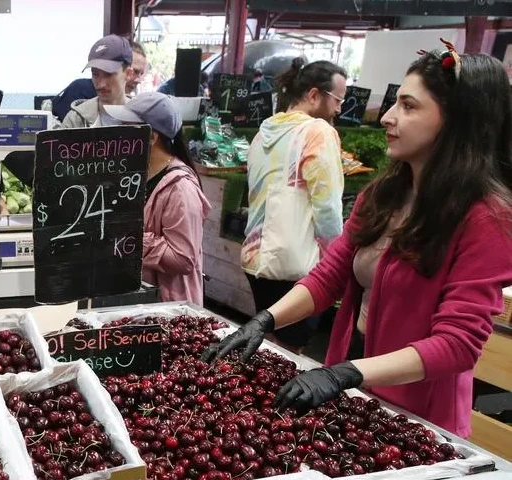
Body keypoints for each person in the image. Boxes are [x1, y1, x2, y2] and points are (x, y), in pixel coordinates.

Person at [203, 42, 512, 439]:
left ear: (456, 122)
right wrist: (265, 320)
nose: (387, 116)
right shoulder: (384, 195)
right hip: (361, 396)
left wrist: (346, 373)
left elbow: (458, 344)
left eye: (409, 106)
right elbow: (329, 275)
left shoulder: (486, 219)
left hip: (420, 421)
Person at [241, 58, 347, 353]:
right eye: (338, 100)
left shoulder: (263, 132)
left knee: (270, 342)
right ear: (314, 96)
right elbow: (327, 208)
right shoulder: (318, 132)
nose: (339, 109)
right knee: (289, 352)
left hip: (255, 259)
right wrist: (335, 258)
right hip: (294, 264)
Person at [104, 92, 211, 305]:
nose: (119, 136)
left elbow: (183, 258)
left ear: (152, 137)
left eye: (127, 128)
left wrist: (129, 237)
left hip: (168, 309)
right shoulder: (137, 176)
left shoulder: (181, 189)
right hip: (139, 301)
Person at [62, 35, 132, 128]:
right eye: (95, 73)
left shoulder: (145, 118)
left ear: (128, 74)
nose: (101, 84)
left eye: (108, 74)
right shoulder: (75, 120)